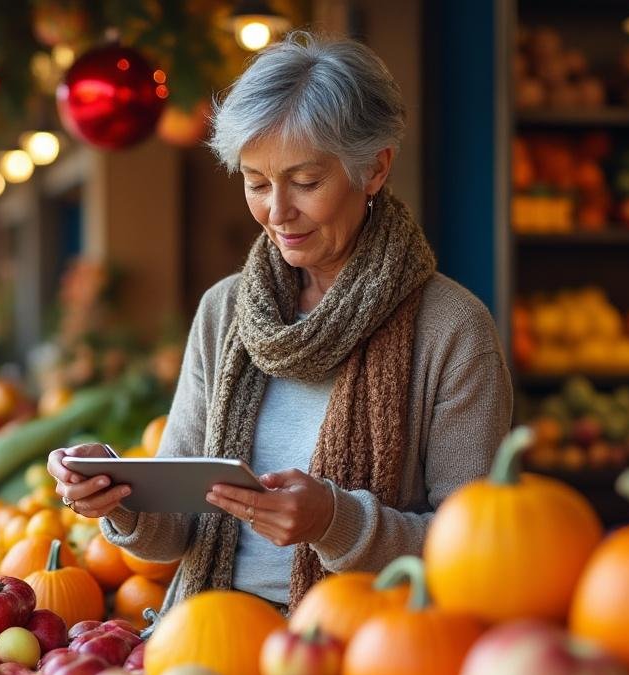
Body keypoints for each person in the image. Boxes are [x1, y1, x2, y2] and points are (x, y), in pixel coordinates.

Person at [48, 33, 513, 613]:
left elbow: (474, 551)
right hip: (214, 632)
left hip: (365, 647)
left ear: (374, 169)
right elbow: (173, 534)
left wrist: (336, 522)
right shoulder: (226, 311)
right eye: (257, 182)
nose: (277, 210)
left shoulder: (452, 330)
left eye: (306, 182)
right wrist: (117, 495)